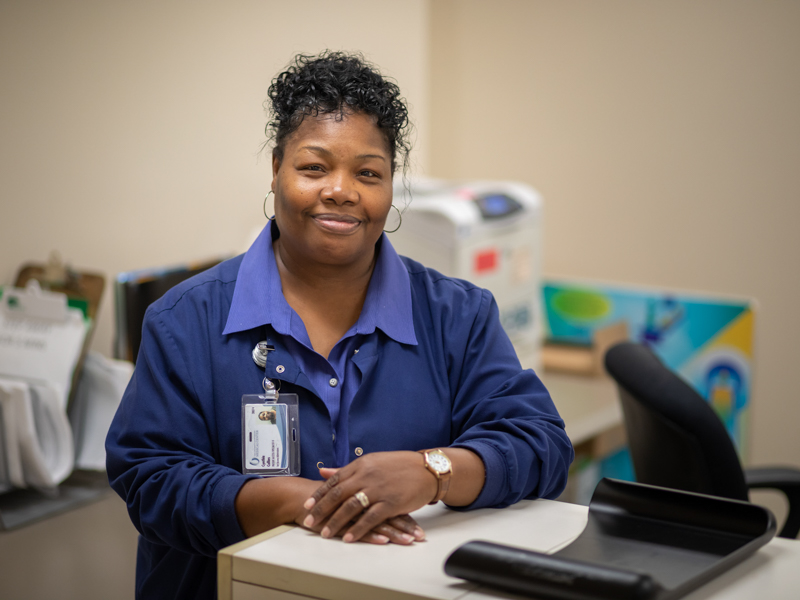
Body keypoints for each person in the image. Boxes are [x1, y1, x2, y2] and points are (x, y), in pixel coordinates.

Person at [106, 51, 574, 600]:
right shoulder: (186, 319)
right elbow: (151, 477)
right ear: (276, 169)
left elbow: (540, 443)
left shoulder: (458, 315)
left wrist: (432, 472)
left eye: (368, 173)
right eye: (314, 167)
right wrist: (295, 502)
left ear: (391, 188)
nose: (341, 190)